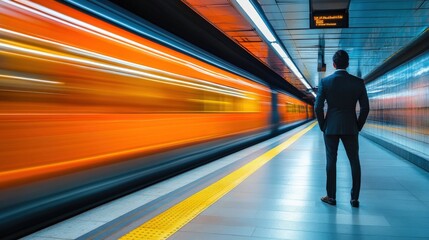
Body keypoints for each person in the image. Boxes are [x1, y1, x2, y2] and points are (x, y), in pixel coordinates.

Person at [315, 50, 369, 208]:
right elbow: (365, 108)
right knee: (354, 161)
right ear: (348, 64)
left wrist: (323, 125)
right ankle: (354, 198)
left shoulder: (325, 82)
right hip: (350, 126)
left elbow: (318, 107)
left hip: (330, 127)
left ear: (333, 64)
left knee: (331, 161)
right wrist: (357, 125)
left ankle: (331, 196)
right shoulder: (358, 83)